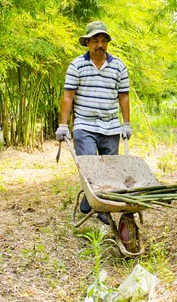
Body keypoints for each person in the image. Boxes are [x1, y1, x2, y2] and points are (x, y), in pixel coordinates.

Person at [55, 20, 132, 225]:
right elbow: (68, 96)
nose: (100, 44)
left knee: (109, 168)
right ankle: (94, 201)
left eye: (104, 40)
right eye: (95, 40)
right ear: (87, 42)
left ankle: (99, 205)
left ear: (107, 43)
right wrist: (63, 125)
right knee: (90, 165)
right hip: (85, 124)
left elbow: (123, 96)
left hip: (110, 125)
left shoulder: (118, 66)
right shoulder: (77, 65)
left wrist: (126, 124)